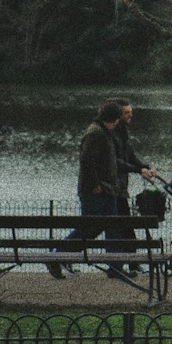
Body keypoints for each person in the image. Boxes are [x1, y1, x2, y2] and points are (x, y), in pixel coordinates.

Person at [50, 99, 127, 279]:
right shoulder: (96, 133)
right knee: (89, 229)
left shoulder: (103, 132)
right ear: (114, 119)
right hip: (95, 192)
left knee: (113, 227)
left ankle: (115, 266)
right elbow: (86, 160)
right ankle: (56, 256)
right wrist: (96, 185)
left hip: (109, 190)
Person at [111, 99, 156, 197]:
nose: (131, 115)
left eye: (131, 112)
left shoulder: (123, 131)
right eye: (127, 113)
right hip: (111, 187)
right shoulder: (110, 133)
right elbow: (115, 161)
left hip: (121, 186)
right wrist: (139, 170)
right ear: (117, 114)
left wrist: (145, 167)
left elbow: (130, 156)